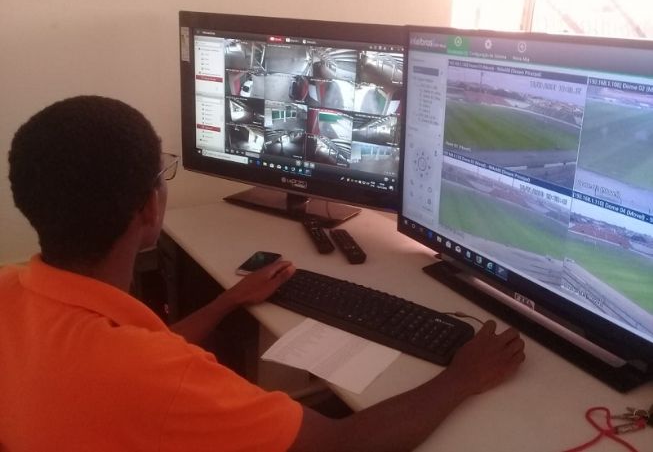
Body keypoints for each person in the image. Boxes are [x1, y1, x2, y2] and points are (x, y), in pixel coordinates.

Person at [1, 96, 525, 452]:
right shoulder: (158, 377)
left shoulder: (12, 291)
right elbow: (339, 443)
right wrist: (461, 379)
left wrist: (228, 301)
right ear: (148, 208)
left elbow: (135, 352)